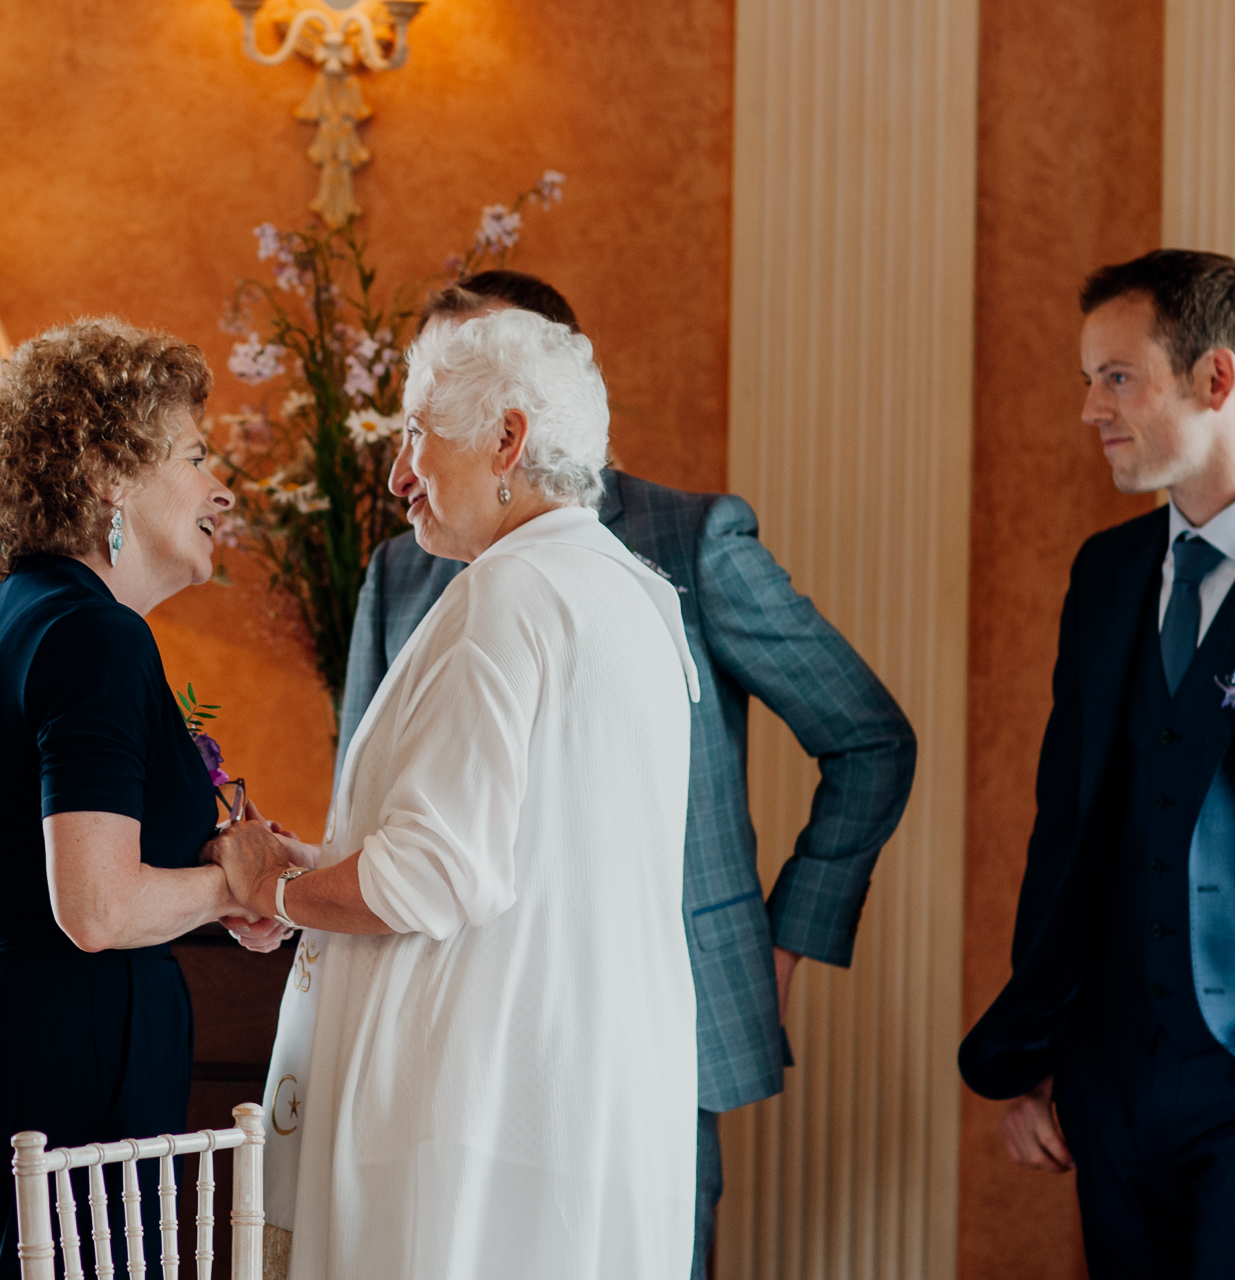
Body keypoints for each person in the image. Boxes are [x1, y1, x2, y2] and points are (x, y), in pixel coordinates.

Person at [333, 271, 918, 1276]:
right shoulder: (400, 569)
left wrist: (784, 939)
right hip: (456, 1045)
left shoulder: (690, 542)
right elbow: (376, 807)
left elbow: (869, 737)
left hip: (656, 1015)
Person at [209, 307, 705, 1278]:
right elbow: (523, 848)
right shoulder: (628, 593)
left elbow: (432, 877)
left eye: (417, 433)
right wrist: (321, 872)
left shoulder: (507, 595)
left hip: (468, 1114)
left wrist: (272, 888)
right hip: (573, 1101)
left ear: (508, 438)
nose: (398, 473)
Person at [960, 249, 1235, 1276]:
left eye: (1118, 376)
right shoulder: (1106, 575)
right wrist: (1038, 1052)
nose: (1092, 409)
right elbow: (1069, 828)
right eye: (1088, 380)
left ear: (1216, 379)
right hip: (1110, 1085)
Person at [0, 317, 251, 1280]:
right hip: (70, 1097)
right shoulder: (96, 637)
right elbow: (97, 908)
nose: (218, 485)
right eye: (194, 455)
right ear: (109, 473)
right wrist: (232, 886)